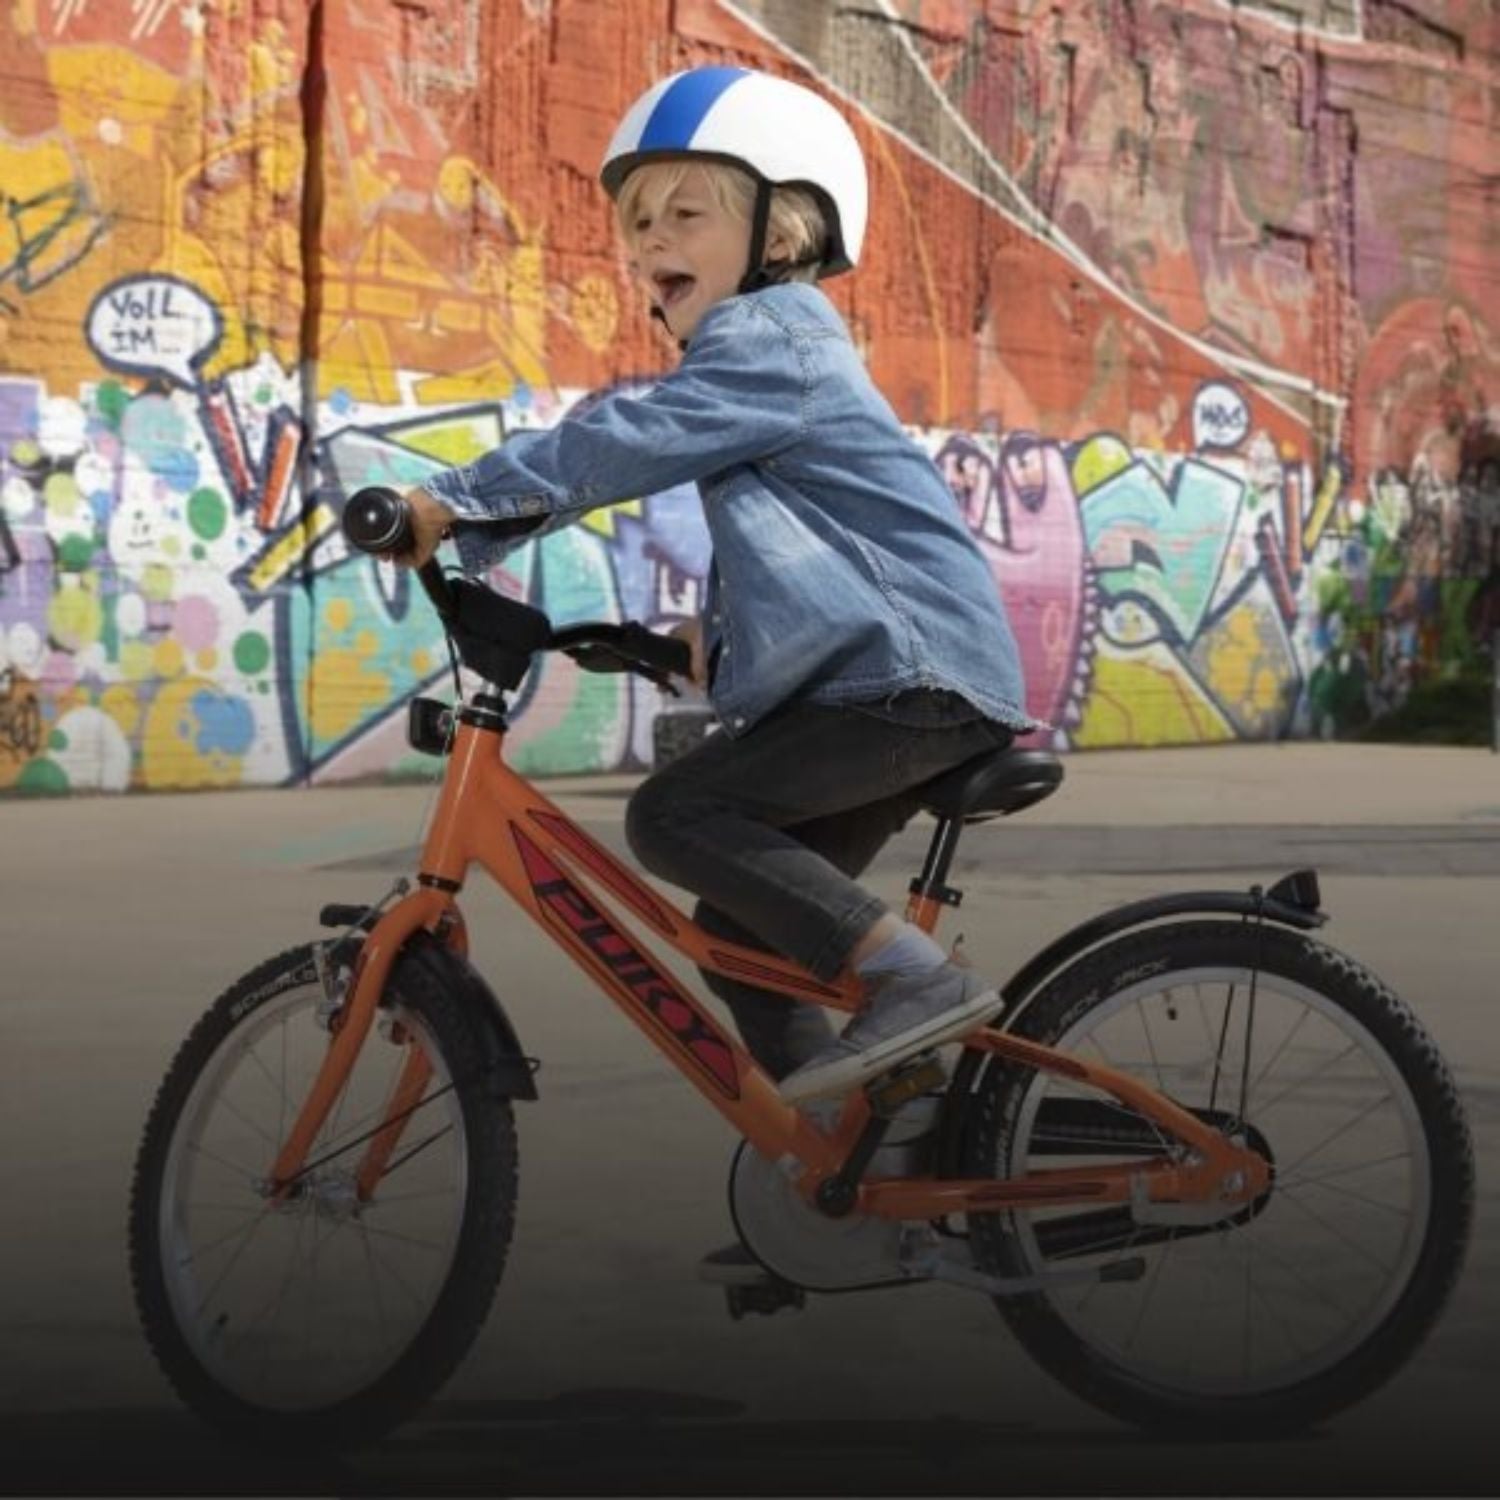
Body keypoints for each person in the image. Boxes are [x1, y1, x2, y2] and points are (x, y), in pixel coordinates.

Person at [393, 66, 1036, 1119]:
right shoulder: (772, 364)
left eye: (687, 213)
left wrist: (455, 501)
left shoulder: (772, 335)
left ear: (780, 233)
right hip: (909, 681)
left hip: (906, 682)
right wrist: (706, 638)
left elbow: (632, 437)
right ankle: (842, 1160)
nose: (652, 240)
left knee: (676, 813)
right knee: (746, 939)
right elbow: (817, 544)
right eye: (639, 221)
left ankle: (917, 980)